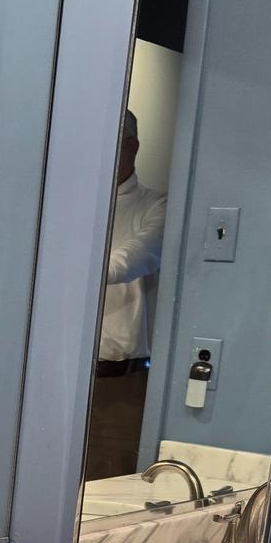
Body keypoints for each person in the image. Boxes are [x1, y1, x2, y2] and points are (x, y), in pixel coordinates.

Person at [84, 110, 168, 481]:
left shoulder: (156, 206)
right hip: (60, 374)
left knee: (111, 479)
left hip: (120, 382)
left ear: (131, 147)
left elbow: (130, 260)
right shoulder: (73, 205)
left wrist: (62, 268)